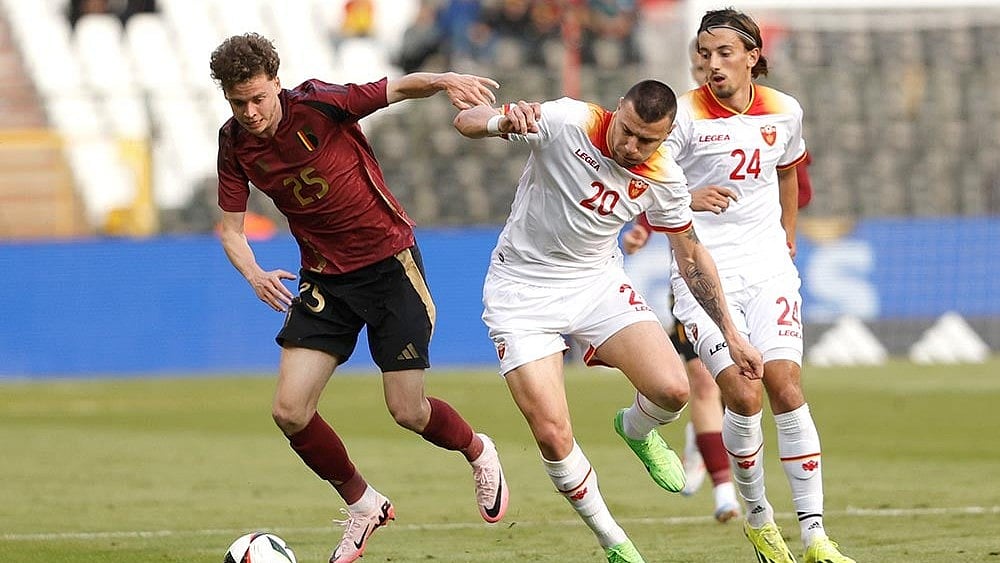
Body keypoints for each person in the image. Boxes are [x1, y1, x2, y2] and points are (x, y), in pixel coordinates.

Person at [209, 32, 508, 563]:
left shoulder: (320, 103)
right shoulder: (233, 142)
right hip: (324, 279)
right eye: (238, 102)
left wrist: (442, 80)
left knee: (408, 411)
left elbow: (394, 88)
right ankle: (365, 504)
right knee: (290, 411)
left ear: (277, 83)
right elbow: (231, 229)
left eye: (258, 98)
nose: (251, 112)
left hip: (390, 266)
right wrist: (254, 274)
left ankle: (477, 450)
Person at [453, 80, 763, 563]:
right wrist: (500, 120)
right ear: (617, 110)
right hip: (522, 290)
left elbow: (692, 256)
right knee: (553, 433)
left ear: (665, 139)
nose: (632, 147)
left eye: (648, 141)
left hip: (596, 283)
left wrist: (732, 335)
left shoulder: (664, 177)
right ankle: (613, 541)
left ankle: (635, 429)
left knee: (674, 390)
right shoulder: (566, 120)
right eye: (629, 132)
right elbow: (466, 122)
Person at [663, 9, 855, 562]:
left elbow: (790, 170)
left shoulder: (784, 110)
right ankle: (759, 519)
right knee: (743, 395)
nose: (712, 63)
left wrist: (788, 237)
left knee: (787, 387)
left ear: (752, 56)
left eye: (724, 53)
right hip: (702, 272)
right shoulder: (683, 116)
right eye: (704, 53)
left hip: (769, 267)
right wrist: (688, 199)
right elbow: (644, 178)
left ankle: (816, 535)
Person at [621, 35, 741, 526]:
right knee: (702, 382)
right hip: (690, 267)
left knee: (744, 384)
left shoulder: (760, 125)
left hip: (747, 265)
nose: (705, 70)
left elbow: (795, 182)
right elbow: (659, 186)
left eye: (714, 61)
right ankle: (724, 493)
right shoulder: (673, 131)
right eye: (700, 62)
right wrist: (642, 228)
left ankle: (700, 441)